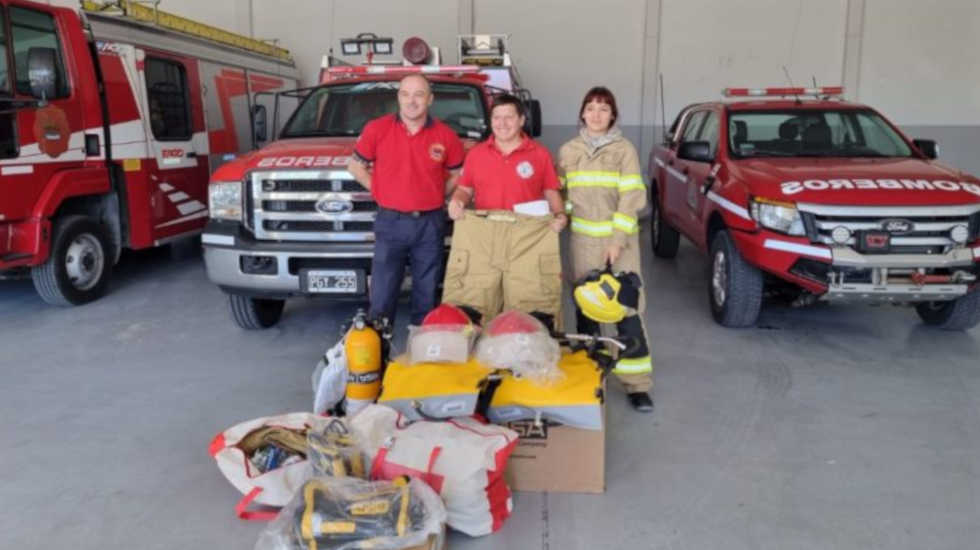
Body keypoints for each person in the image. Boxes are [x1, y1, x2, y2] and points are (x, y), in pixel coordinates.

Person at [557, 86, 654, 412]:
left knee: (626, 311)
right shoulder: (568, 151)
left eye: (604, 108)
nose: (597, 114)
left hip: (619, 244)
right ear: (582, 113)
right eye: (591, 107)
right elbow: (559, 194)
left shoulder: (624, 150)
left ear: (613, 115)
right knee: (588, 310)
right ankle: (590, 377)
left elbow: (632, 197)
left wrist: (616, 240)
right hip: (581, 243)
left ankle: (637, 385)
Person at [349, 74, 464, 325]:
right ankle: (379, 351)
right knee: (382, 294)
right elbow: (355, 166)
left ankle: (421, 354)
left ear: (430, 99)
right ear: (398, 97)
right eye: (405, 94)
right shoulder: (377, 129)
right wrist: (378, 190)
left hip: (430, 223)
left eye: (419, 95)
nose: (412, 101)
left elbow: (457, 173)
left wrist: (439, 193)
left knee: (427, 292)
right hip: (391, 222)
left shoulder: (446, 136)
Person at [443, 94, 566, 325]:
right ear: (490, 121)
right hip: (484, 239)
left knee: (530, 305)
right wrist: (457, 202)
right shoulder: (477, 154)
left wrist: (560, 216)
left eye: (509, 117)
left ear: (521, 120)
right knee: (475, 302)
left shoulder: (540, 155)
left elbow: (551, 192)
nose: (502, 123)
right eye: (497, 118)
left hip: (526, 240)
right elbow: (465, 190)